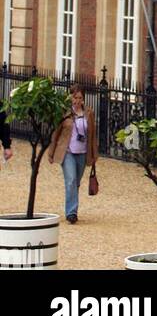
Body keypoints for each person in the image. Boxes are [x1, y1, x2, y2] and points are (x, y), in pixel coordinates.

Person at [47, 84, 97, 224]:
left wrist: (94, 155)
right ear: (71, 97)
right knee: (71, 181)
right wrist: (51, 152)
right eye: (75, 97)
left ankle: (72, 205)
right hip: (67, 152)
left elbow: (92, 135)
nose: (77, 101)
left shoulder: (89, 113)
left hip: (82, 153)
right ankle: (71, 213)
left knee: (76, 183)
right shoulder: (65, 113)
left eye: (80, 98)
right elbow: (56, 133)